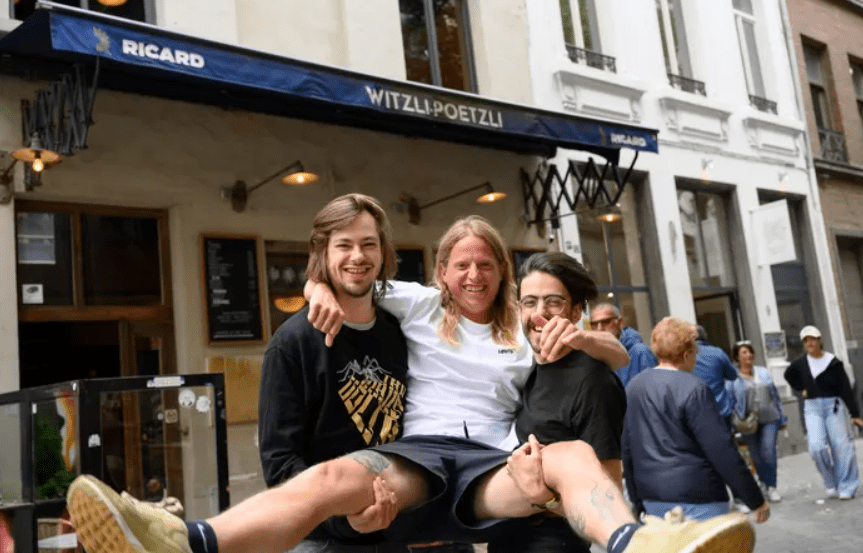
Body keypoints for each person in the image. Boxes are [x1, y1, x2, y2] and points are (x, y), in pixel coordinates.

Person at [65, 216, 758, 553]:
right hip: (417, 454)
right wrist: (315, 287)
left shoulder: (524, 328)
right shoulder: (419, 305)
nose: (473, 275)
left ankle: (634, 543)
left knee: (569, 455)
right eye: (460, 264)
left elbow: (618, 355)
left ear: (501, 272)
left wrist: (579, 337)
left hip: (493, 463)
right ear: (443, 273)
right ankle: (184, 541)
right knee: (332, 476)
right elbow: (351, 273)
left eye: (486, 264)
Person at [258, 193, 409, 552]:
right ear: (323, 254)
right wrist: (344, 520)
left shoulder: (401, 331)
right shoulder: (292, 344)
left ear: (383, 252)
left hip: (397, 534)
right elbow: (280, 465)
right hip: (322, 540)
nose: (358, 256)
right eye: (344, 245)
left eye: (369, 244)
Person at [487, 252, 627, 553]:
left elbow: (609, 498)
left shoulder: (593, 381)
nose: (540, 313)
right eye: (530, 302)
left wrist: (544, 498)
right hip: (506, 539)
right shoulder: (523, 366)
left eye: (553, 302)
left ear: (575, 312)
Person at [623, 317, 770, 523]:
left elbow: (628, 448)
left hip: (652, 497)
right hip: (698, 495)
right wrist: (754, 499)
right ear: (686, 354)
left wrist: (637, 500)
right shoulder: (693, 387)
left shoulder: (634, 387)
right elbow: (720, 448)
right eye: (695, 352)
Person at [784, 325, 863, 500]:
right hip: (812, 408)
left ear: (819, 341)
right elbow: (788, 375)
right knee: (816, 448)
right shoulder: (800, 363)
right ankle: (830, 482)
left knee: (842, 447)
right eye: (806, 340)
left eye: (812, 339)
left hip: (833, 406)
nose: (810, 343)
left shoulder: (832, 362)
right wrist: (801, 388)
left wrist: (855, 413)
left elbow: (845, 387)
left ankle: (847, 486)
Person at [728, 340, 786, 503]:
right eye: (744, 352)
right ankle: (763, 483)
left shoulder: (763, 372)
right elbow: (730, 401)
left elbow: (775, 395)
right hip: (748, 423)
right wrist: (733, 424)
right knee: (756, 456)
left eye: (750, 351)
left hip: (770, 418)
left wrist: (782, 417)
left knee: (768, 452)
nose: (749, 355)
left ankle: (771, 486)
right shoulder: (733, 378)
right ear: (737, 357)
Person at [589, 303, 657, 388]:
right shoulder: (593, 358)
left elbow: (652, 391)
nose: (599, 329)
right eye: (594, 324)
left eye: (605, 322)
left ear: (620, 322)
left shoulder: (641, 353)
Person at [692, 326, 738, 430]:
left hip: (696, 412)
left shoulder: (684, 357)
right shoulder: (717, 353)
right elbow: (732, 375)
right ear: (705, 336)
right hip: (720, 410)